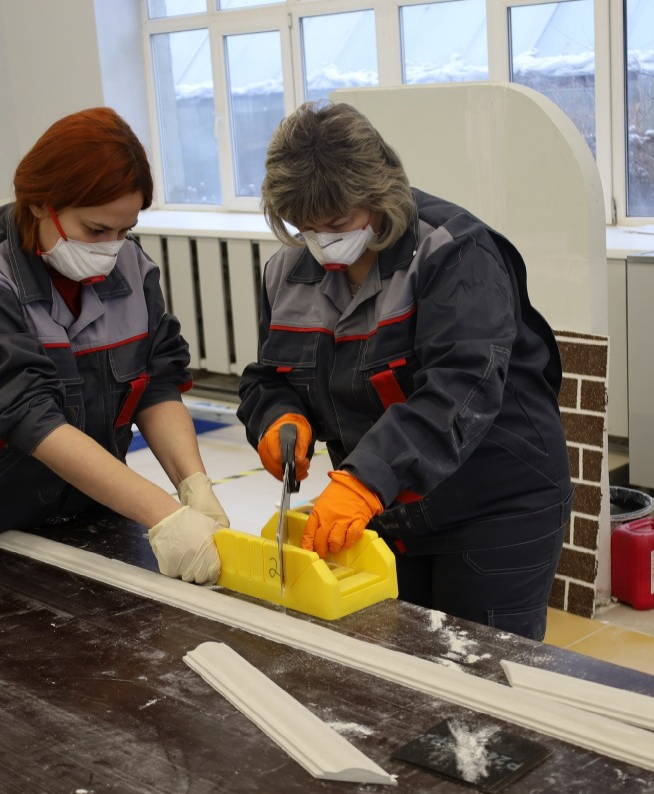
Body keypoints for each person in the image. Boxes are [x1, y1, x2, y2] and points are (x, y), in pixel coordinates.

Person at [238, 102, 574, 640]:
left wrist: (366, 479)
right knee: (403, 660)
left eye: (337, 224)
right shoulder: (286, 271)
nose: (322, 241)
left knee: (477, 670)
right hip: (390, 509)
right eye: (305, 227)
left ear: (379, 195)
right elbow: (270, 375)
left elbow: (459, 388)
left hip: (494, 502)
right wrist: (279, 416)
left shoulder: (453, 250)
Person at [0, 107, 226, 584]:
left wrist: (192, 485)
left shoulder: (129, 264)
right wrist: (164, 514)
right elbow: (29, 416)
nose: (112, 248)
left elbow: (155, 382)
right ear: (38, 203)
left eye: (125, 230)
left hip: (95, 517)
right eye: (96, 230)